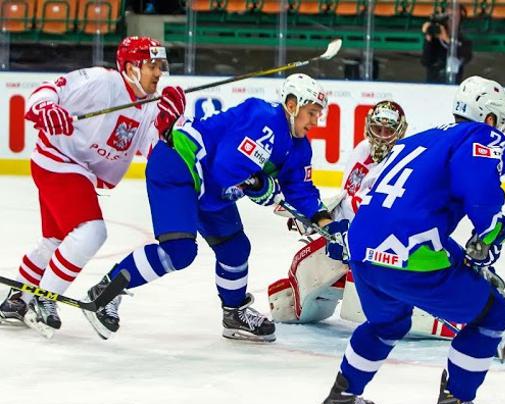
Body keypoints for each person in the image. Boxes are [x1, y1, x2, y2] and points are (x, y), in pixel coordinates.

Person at [312, 76, 505, 404]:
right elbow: (482, 198)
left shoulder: (420, 138)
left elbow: (402, 206)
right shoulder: (479, 136)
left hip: (362, 247)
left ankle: (342, 397)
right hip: (408, 252)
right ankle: (456, 402)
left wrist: (470, 254)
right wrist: (490, 235)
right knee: (492, 314)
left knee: (388, 323)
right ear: (488, 119)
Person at [83, 73, 346, 343]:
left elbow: (301, 191)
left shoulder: (299, 148)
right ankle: (103, 293)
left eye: (318, 115)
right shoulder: (262, 117)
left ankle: (234, 314)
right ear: (292, 105)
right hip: (179, 165)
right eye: (312, 113)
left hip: (211, 186)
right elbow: (227, 168)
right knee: (179, 251)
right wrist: (261, 186)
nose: (315, 122)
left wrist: (329, 225)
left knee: (235, 248)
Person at [0, 36, 186, 336]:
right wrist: (46, 108)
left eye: (159, 65)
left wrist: (167, 126)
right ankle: (42, 299)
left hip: (78, 171)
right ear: (130, 68)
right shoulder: (102, 81)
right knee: (91, 232)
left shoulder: (151, 106)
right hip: (58, 160)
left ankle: (18, 299)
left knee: (55, 241)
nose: (158, 72)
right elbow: (49, 91)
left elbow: (154, 152)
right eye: (151, 65)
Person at [268, 100, 410, 323]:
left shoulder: (402, 161)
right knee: (284, 304)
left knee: (301, 274)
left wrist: (325, 219)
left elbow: (378, 211)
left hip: (385, 246)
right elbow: (347, 197)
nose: (382, 136)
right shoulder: (362, 149)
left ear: (400, 131)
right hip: (351, 239)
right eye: (377, 129)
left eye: (388, 130)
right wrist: (316, 217)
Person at [420, 11, 472, 84]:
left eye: (454, 18)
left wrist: (447, 39)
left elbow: (466, 56)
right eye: (449, 19)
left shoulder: (462, 38)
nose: (451, 21)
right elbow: (425, 61)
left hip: (453, 80)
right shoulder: (435, 40)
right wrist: (428, 39)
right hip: (433, 82)